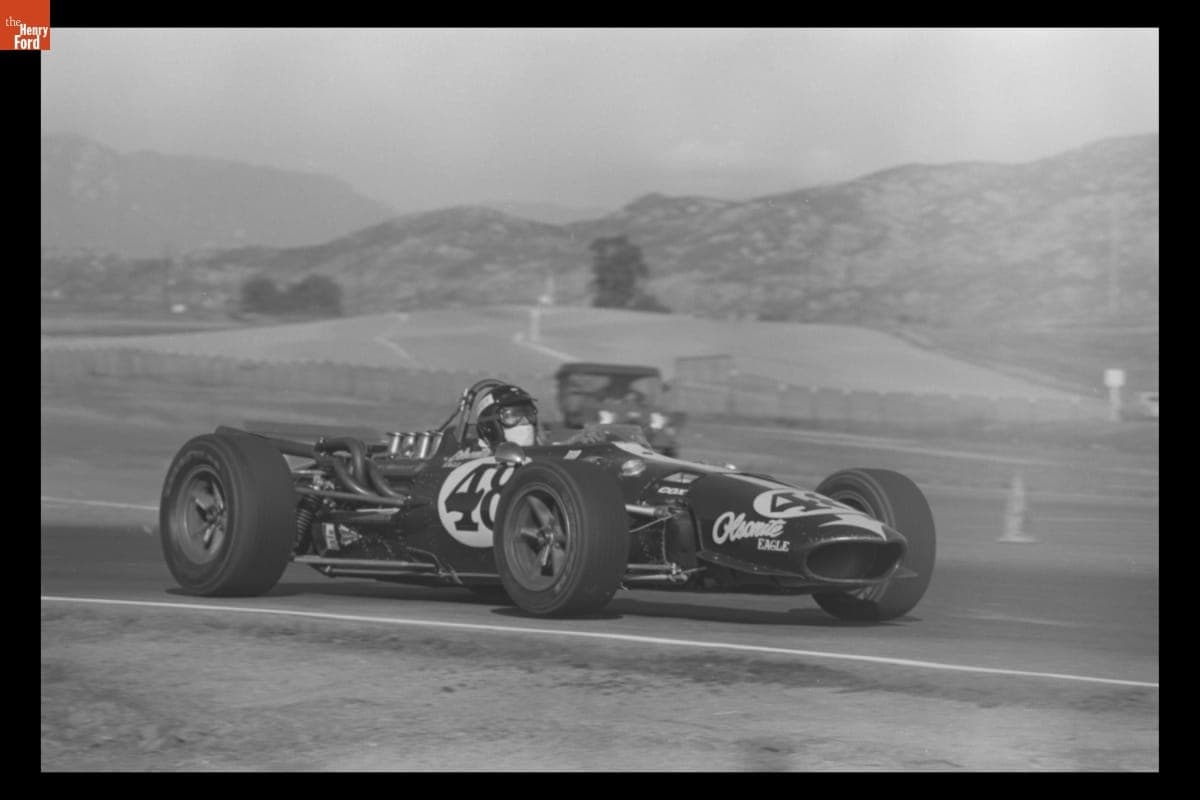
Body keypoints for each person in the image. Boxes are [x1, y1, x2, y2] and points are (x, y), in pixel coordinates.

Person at [475, 384, 540, 448]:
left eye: (529, 413)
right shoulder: (477, 458)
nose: (525, 421)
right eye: (513, 415)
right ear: (491, 426)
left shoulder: (544, 456)